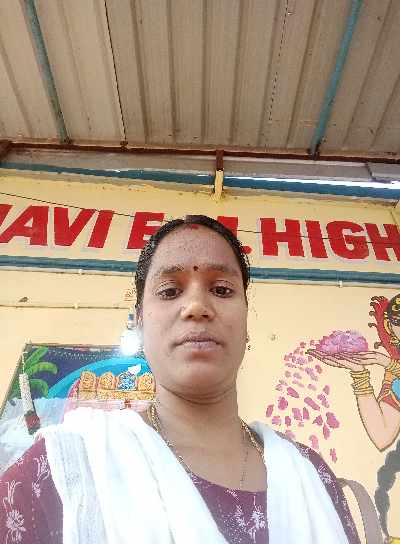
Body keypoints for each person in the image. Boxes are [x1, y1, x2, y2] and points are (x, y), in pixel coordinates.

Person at [0, 215, 360, 544]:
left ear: (247, 318)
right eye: (170, 291)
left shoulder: (311, 476)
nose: (196, 306)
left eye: (222, 290)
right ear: (140, 321)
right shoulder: (62, 469)